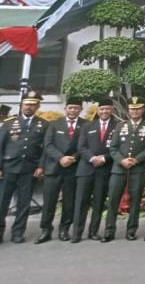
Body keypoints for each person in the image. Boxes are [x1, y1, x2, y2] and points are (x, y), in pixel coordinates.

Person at [102, 96, 145, 242]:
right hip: (119, 168)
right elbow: (113, 148)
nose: (135, 112)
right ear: (128, 110)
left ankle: (131, 230)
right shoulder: (120, 126)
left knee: (135, 200)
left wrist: (137, 159)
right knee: (113, 200)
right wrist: (121, 160)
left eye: (138, 109)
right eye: (132, 109)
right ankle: (109, 231)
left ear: (143, 109)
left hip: (138, 168)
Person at [0, 89, 48, 243]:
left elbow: (45, 148)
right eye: (27, 104)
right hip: (9, 167)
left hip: (29, 168)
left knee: (24, 202)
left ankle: (18, 232)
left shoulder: (44, 124)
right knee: (2, 202)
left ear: (38, 106)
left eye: (33, 105)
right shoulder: (8, 124)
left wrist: (41, 166)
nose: (29, 107)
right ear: (21, 105)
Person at [38, 96, 83, 243]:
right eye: (70, 107)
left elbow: (85, 146)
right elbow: (48, 145)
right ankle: (46, 230)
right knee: (49, 201)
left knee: (69, 202)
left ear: (80, 110)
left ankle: (64, 229)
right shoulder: (54, 124)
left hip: (73, 168)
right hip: (54, 168)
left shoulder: (86, 125)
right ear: (65, 109)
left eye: (76, 108)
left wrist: (72, 158)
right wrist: (60, 158)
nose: (73, 110)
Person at [73, 97, 118, 242]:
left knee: (98, 202)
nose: (105, 111)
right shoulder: (87, 126)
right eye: (102, 109)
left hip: (104, 169)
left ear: (112, 110)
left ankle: (93, 231)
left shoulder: (118, 126)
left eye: (107, 109)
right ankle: (76, 233)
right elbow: (81, 147)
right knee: (81, 202)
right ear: (98, 111)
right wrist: (93, 158)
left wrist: (104, 158)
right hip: (86, 168)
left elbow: (117, 148)